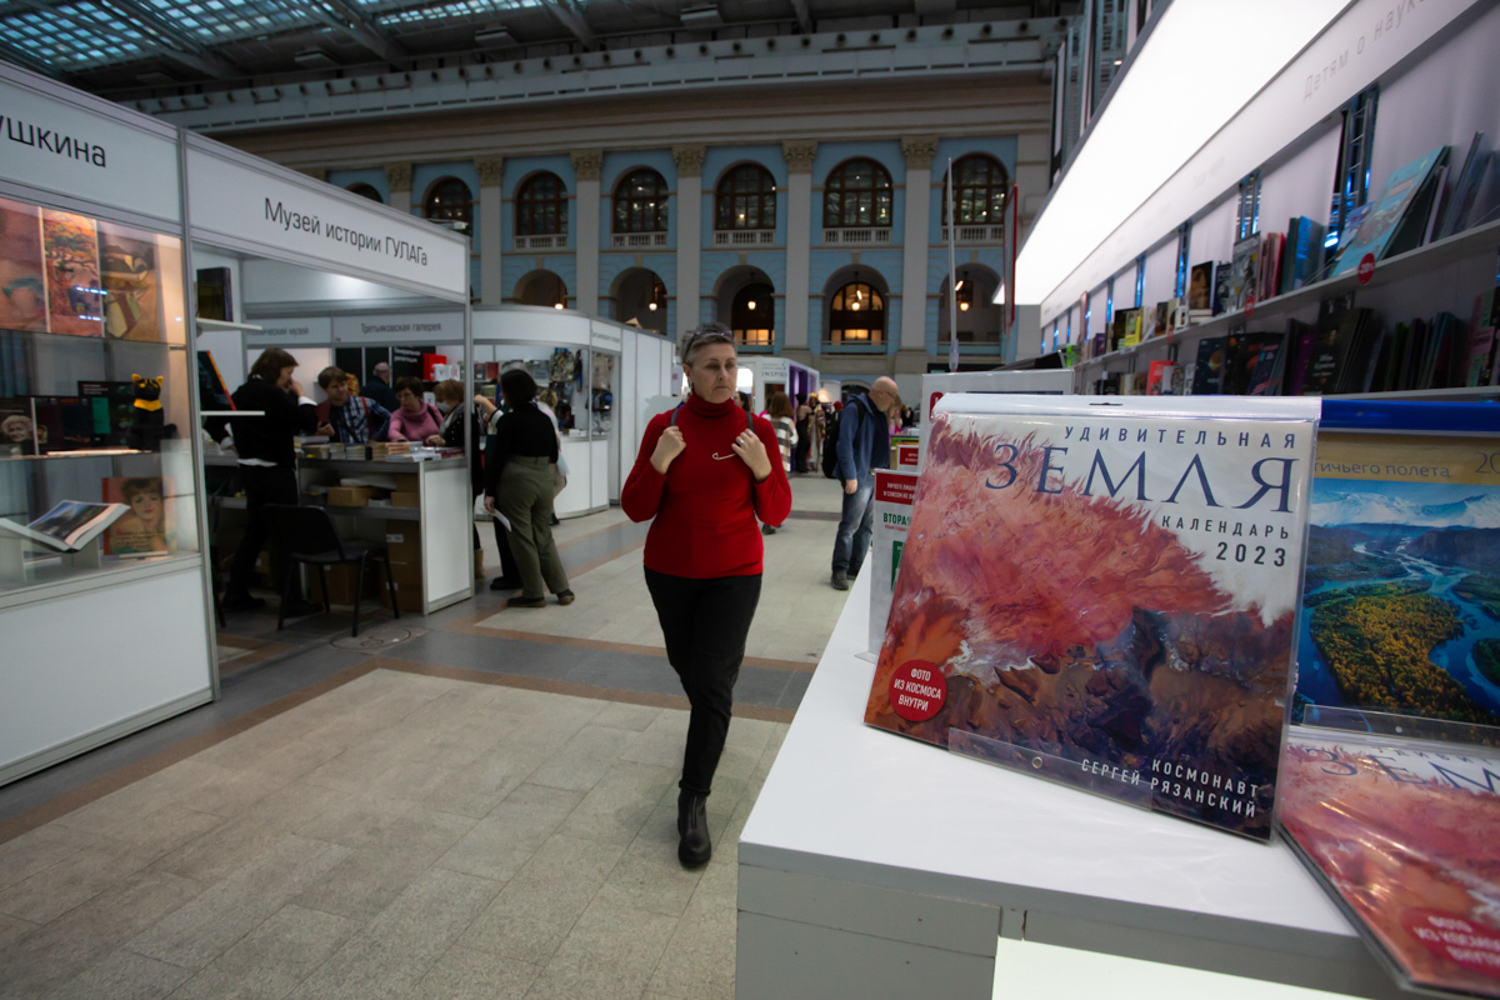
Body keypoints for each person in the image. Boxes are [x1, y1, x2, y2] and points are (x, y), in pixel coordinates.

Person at [621, 323, 792, 867]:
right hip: (669, 572)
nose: (724, 374)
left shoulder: (756, 431)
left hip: (735, 573)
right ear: (688, 373)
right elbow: (635, 508)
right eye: (712, 365)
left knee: (713, 684)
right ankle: (711, 713)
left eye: (731, 364)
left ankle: (692, 801)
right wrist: (660, 461)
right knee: (691, 669)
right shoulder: (664, 427)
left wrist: (762, 470)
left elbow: (777, 510)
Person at [208, 347, 321, 616]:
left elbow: (212, 423)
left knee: (254, 533)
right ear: (275, 370)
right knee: (285, 534)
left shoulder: (242, 392)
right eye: (288, 373)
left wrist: (231, 445)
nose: (290, 379)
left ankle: (236, 593)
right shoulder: (272, 394)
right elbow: (308, 420)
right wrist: (302, 395)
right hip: (276, 473)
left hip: (250, 472)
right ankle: (290, 599)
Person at [483, 370, 574, 609]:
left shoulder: (509, 421)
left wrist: (490, 491)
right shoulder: (544, 419)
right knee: (543, 535)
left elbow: (498, 458)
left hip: (517, 480)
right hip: (544, 478)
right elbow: (553, 454)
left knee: (522, 537)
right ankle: (562, 589)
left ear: (509, 393)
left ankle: (533, 593)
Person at [438, 380, 521, 591]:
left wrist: (484, 403)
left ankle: (515, 576)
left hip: (502, 478)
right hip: (497, 476)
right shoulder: (503, 410)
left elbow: (503, 426)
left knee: (508, 531)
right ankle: (512, 574)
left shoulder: (506, 414)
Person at [830, 377, 897, 591]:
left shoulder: (878, 412)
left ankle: (855, 566)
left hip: (875, 476)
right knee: (850, 525)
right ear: (881, 393)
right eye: (892, 396)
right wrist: (850, 475)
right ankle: (840, 568)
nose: (893, 401)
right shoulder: (855, 409)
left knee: (867, 526)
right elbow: (845, 443)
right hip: (860, 475)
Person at [315, 366, 390, 444]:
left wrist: (376, 438)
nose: (340, 389)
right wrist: (319, 435)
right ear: (325, 389)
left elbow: (389, 418)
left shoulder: (365, 403)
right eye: (335, 387)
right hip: (336, 451)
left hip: (361, 450)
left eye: (343, 384)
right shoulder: (321, 410)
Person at [109, 477, 175, 554]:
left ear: (162, 501)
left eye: (153, 498)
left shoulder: (173, 526)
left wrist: (151, 532)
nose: (147, 504)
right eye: (139, 500)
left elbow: (169, 556)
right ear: (131, 505)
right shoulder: (123, 530)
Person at [762, 391, 797, 536]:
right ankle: (773, 520)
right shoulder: (787, 422)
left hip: (763, 461)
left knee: (766, 492)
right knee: (779, 493)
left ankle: (768, 521)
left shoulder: (764, 419)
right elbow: (794, 441)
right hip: (781, 462)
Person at [387, 377, 445, 444]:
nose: (402, 400)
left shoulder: (431, 409)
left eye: (406, 395)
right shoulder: (398, 415)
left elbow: (444, 430)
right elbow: (393, 430)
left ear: (417, 395)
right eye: (399, 396)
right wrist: (401, 439)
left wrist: (439, 438)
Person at [793, 394, 813, 473]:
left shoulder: (798, 408)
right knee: (805, 446)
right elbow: (812, 412)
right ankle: (802, 465)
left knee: (800, 447)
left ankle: (799, 465)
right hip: (803, 428)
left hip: (798, 427)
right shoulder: (805, 408)